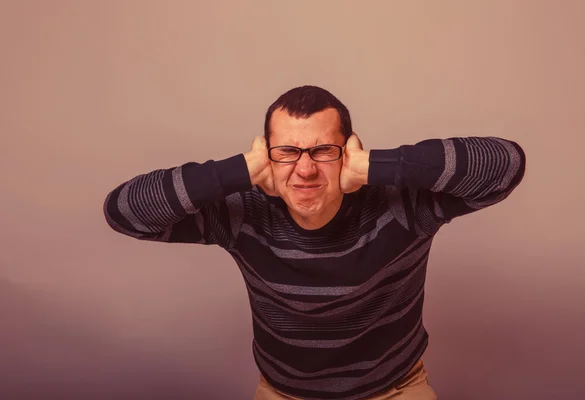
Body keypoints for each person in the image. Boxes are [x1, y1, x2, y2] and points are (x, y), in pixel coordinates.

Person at [103, 85, 526, 400]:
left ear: (349, 152)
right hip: (285, 394)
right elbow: (123, 212)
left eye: (323, 150)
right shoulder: (241, 211)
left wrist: (378, 165)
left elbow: (506, 165)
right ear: (265, 156)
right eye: (286, 151)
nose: (304, 170)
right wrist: (239, 170)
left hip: (395, 390)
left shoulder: (401, 204)